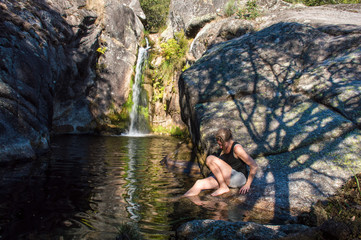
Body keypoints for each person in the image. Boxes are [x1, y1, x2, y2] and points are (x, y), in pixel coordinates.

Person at [184, 128, 258, 197]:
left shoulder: (237, 148)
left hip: (238, 178)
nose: (220, 147)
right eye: (219, 144)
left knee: (210, 159)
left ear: (227, 141)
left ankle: (223, 187)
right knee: (199, 183)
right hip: (225, 178)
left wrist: (248, 184)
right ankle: (182, 199)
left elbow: (254, 166)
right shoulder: (222, 149)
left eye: (221, 144)